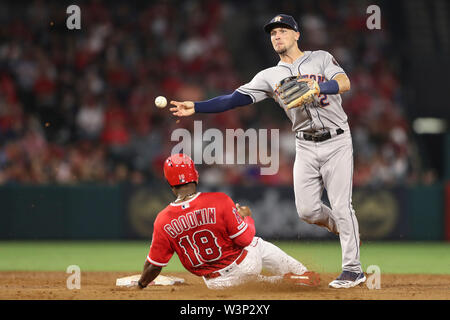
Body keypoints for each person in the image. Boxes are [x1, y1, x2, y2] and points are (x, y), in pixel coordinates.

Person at [169, 14, 365, 289]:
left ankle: (353, 270)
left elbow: (344, 83)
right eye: (273, 33)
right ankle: (348, 230)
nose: (277, 36)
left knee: (342, 206)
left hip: (337, 141)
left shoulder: (320, 58)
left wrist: (317, 85)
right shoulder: (269, 76)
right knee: (307, 211)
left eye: (283, 31)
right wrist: (197, 107)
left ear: (297, 35)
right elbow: (234, 99)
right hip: (305, 145)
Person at [135, 153, 320, 290]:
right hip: (245, 265)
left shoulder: (163, 220)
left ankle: (281, 283)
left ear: (169, 182)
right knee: (257, 244)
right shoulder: (219, 200)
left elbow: (154, 265)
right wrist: (246, 217)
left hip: (216, 284)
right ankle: (300, 274)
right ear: (195, 175)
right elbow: (245, 239)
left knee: (253, 285)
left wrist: (141, 285)